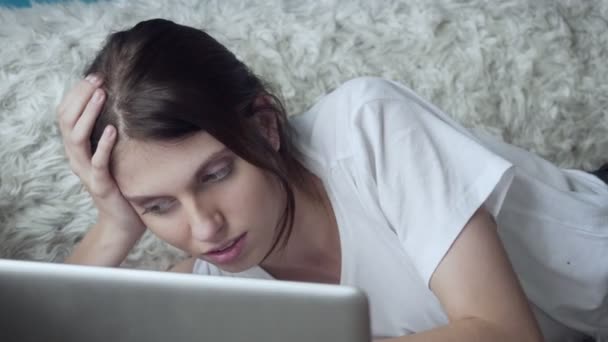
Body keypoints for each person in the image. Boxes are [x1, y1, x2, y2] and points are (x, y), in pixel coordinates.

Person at [56, 18, 607, 342]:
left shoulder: (368, 127)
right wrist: (114, 226)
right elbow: (54, 324)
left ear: (266, 125)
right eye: (158, 207)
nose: (204, 227)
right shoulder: (219, 275)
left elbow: (505, 334)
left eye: (216, 174)